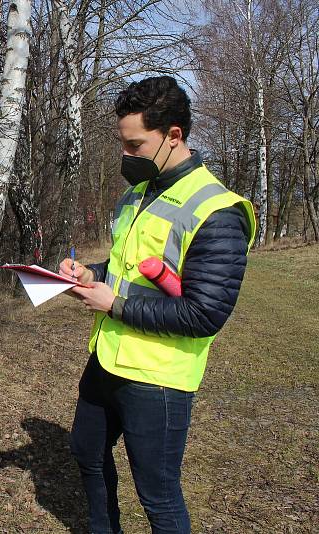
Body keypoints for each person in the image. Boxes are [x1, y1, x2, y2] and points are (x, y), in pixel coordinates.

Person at [58, 76, 256, 534]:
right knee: (86, 452)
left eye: (135, 145)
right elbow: (127, 265)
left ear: (173, 136)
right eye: (122, 144)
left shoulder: (218, 211)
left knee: (159, 495)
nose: (126, 156)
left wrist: (114, 304)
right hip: (108, 359)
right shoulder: (136, 194)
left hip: (159, 379)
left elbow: (205, 314)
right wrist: (92, 274)